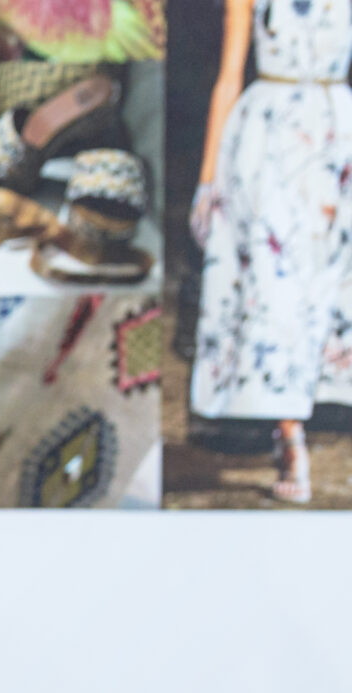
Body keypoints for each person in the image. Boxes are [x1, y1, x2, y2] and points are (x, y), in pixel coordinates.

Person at [189, 0, 352, 505]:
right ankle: (290, 436)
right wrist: (207, 177)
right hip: (270, 137)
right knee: (277, 285)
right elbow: (228, 77)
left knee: (332, 284)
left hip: (336, 134)